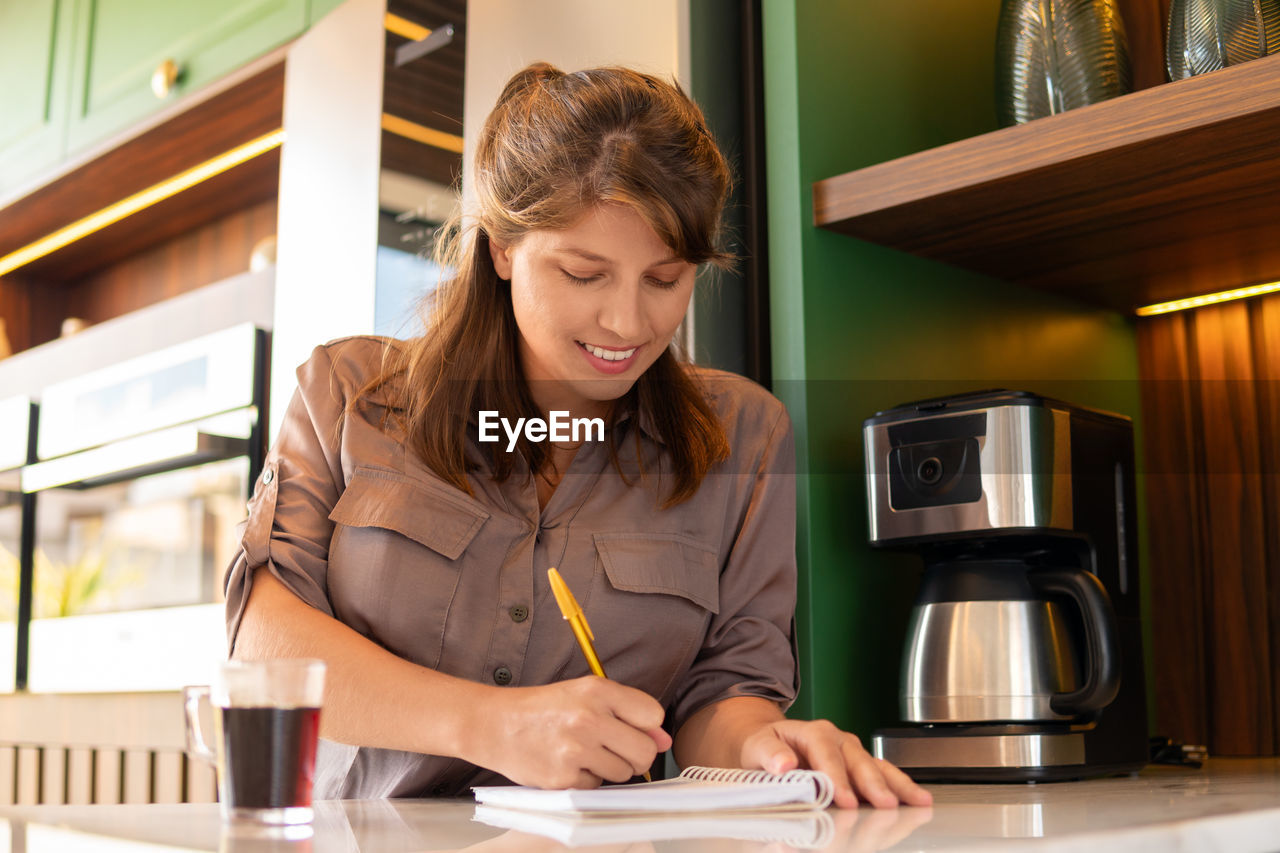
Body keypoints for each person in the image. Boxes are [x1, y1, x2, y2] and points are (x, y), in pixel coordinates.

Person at [225, 62, 931, 809]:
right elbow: (261, 645)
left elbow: (723, 699)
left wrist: (767, 745)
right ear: (501, 249)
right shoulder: (346, 396)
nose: (629, 324)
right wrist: (494, 725)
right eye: (585, 273)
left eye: (664, 280)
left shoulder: (746, 438)